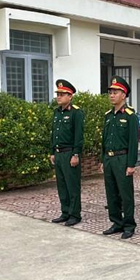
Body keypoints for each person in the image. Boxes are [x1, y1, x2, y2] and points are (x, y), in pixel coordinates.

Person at [102, 76, 139, 239]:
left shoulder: (130, 116)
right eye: (110, 92)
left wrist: (131, 164)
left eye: (115, 92)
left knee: (125, 194)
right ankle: (116, 222)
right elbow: (104, 140)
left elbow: (133, 142)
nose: (111, 95)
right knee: (111, 192)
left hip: (122, 159)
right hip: (109, 159)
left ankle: (129, 225)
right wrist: (102, 159)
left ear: (123, 95)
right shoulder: (108, 115)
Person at [50, 79, 84, 227]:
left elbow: (78, 135)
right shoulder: (56, 112)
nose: (59, 97)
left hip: (69, 153)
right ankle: (65, 212)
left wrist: (76, 154)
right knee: (62, 185)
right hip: (58, 153)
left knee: (72, 185)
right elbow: (54, 134)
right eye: (58, 94)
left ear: (70, 96)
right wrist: (52, 151)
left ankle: (75, 214)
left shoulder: (76, 113)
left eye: (62, 94)